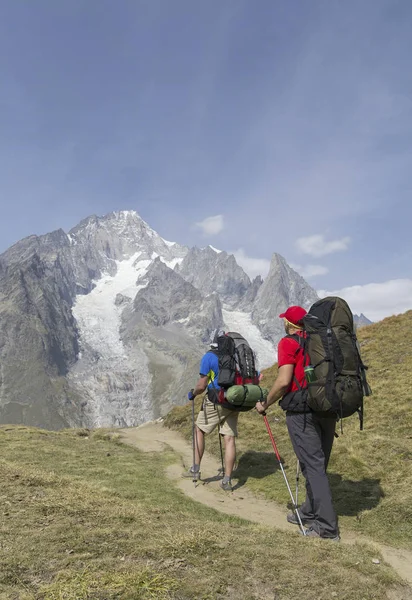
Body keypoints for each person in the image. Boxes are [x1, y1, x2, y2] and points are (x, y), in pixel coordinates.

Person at [256, 306, 340, 541]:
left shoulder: (288, 343)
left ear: (291, 324)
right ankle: (309, 511)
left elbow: (284, 382)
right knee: (317, 466)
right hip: (327, 408)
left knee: (313, 466)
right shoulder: (321, 341)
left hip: (301, 411)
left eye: (285, 320)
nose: (283, 323)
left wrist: (265, 403)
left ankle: (327, 528)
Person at [185, 330, 239, 491]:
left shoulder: (209, 357)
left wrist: (193, 394)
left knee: (199, 430)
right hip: (234, 399)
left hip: (216, 400)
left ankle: (195, 469)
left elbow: (202, 385)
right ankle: (227, 480)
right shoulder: (235, 356)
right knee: (229, 438)